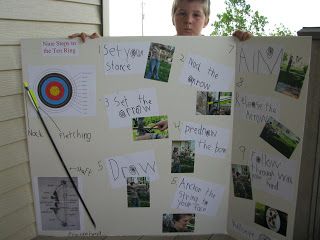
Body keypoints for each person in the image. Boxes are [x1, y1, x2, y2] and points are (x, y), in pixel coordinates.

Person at [69, 0, 251, 41]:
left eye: (196, 15)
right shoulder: (155, 50)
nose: (188, 20)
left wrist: (247, 47)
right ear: (173, 18)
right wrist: (94, 51)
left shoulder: (222, 53)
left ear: (206, 20)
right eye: (181, 13)